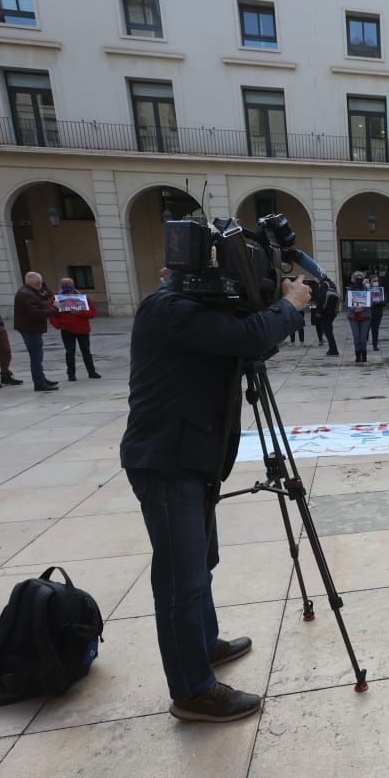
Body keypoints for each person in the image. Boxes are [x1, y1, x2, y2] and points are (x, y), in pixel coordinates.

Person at [121, 271, 310, 722]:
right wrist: (289, 305)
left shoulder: (192, 312)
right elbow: (248, 336)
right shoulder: (169, 309)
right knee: (179, 581)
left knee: (200, 565)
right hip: (167, 460)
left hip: (193, 457)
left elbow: (247, 345)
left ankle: (203, 646)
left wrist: (268, 319)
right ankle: (192, 691)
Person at [13, 272, 59, 392]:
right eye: (40, 283)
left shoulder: (27, 291)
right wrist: (54, 309)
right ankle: (39, 383)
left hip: (29, 328)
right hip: (31, 329)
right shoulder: (27, 294)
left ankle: (42, 379)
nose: (42, 284)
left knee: (37, 356)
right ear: (38, 283)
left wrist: (48, 304)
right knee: (36, 357)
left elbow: (37, 304)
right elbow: (36, 313)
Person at [49, 278, 101, 381]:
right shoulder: (56, 299)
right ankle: (71, 374)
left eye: (69, 283)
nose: (67, 285)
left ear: (73, 284)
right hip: (67, 329)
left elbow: (93, 313)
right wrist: (58, 325)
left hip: (83, 329)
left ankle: (91, 371)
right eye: (64, 284)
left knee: (86, 351)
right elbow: (52, 314)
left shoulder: (83, 297)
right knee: (70, 352)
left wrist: (80, 313)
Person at [345, 271, 371, 363]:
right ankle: (357, 354)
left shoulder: (366, 289)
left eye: (361, 278)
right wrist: (354, 309)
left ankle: (364, 355)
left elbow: (369, 301)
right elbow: (347, 302)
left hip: (365, 316)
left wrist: (362, 308)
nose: (359, 280)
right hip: (353, 316)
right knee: (356, 337)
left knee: (363, 337)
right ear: (354, 279)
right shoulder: (350, 289)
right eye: (358, 278)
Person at [316, 278, 341, 356]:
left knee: (328, 332)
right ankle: (332, 349)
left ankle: (334, 350)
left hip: (324, 313)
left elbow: (321, 298)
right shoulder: (332, 284)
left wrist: (318, 311)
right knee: (329, 331)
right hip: (332, 312)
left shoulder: (324, 284)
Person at [368, 273, 385, 352]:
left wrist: (379, 302)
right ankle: (364, 343)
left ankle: (375, 345)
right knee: (366, 329)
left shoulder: (380, 289)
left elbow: (385, 302)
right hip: (367, 312)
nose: (375, 282)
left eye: (377, 281)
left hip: (377, 313)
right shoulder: (366, 289)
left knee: (375, 330)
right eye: (374, 281)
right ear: (370, 281)